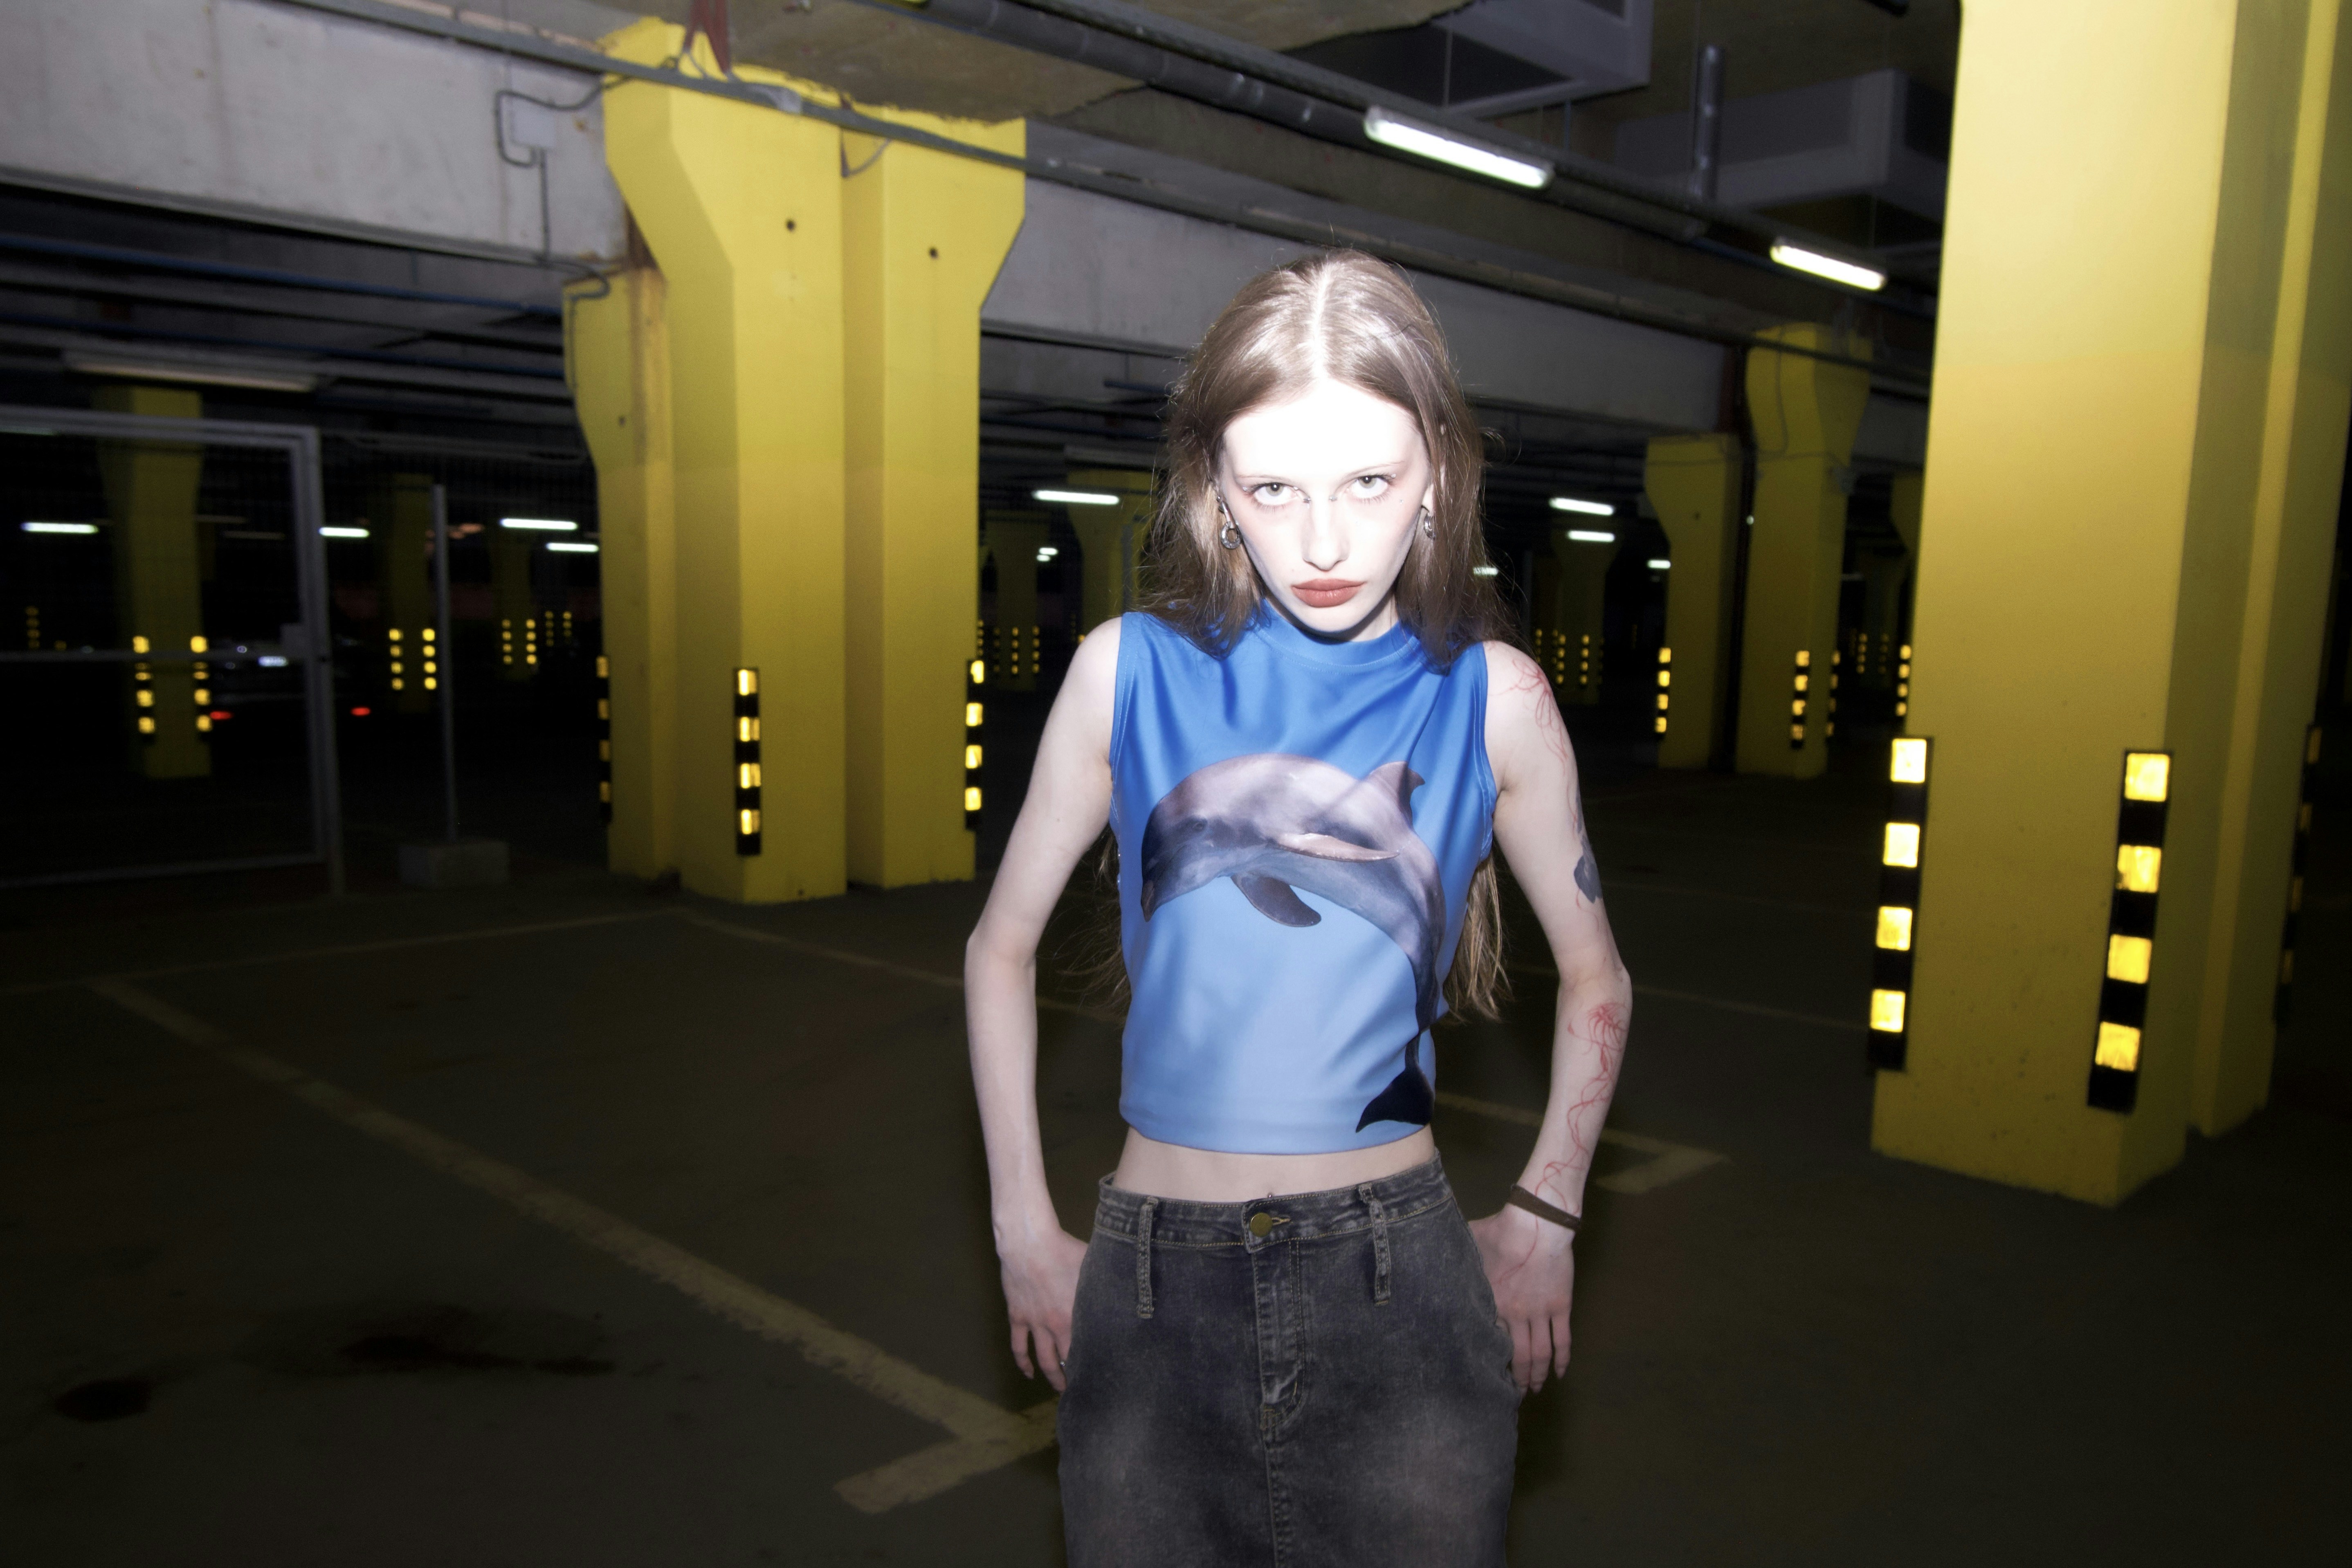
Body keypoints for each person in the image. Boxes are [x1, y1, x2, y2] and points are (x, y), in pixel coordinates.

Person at [964, 250, 1632, 1568]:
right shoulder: (1124, 674)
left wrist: (1550, 1212)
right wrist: (1021, 1225)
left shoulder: (1497, 697)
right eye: (1274, 490)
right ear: (1217, 490)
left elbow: (1599, 978)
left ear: (1436, 472)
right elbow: (999, 946)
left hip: (1401, 1281)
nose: (1323, 543)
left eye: (1368, 484)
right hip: (1150, 1280)